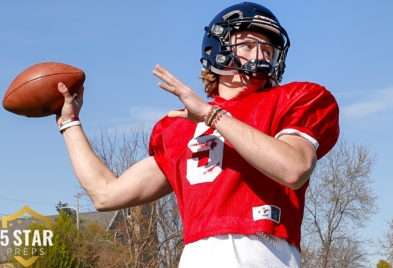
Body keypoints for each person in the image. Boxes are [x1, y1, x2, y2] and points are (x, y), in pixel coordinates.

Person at [56, 2, 339, 267]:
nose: (261, 55)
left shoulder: (296, 98)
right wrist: (70, 123)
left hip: (265, 252)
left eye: (268, 49)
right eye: (249, 45)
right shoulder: (178, 126)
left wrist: (211, 116)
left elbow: (294, 168)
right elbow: (105, 194)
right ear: (218, 48)